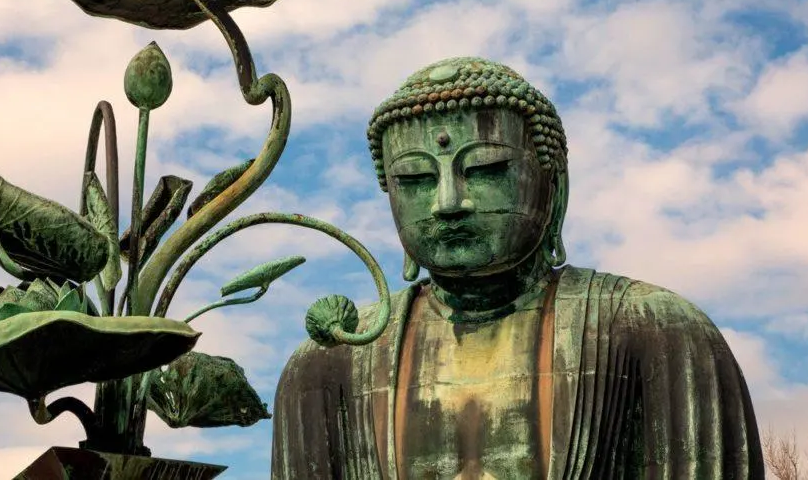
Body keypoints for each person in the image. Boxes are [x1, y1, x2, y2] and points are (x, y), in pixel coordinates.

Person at [271, 57, 764, 479]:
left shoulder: (655, 331)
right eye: (415, 178)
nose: (447, 203)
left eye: (485, 168)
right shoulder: (328, 363)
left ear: (553, 186)